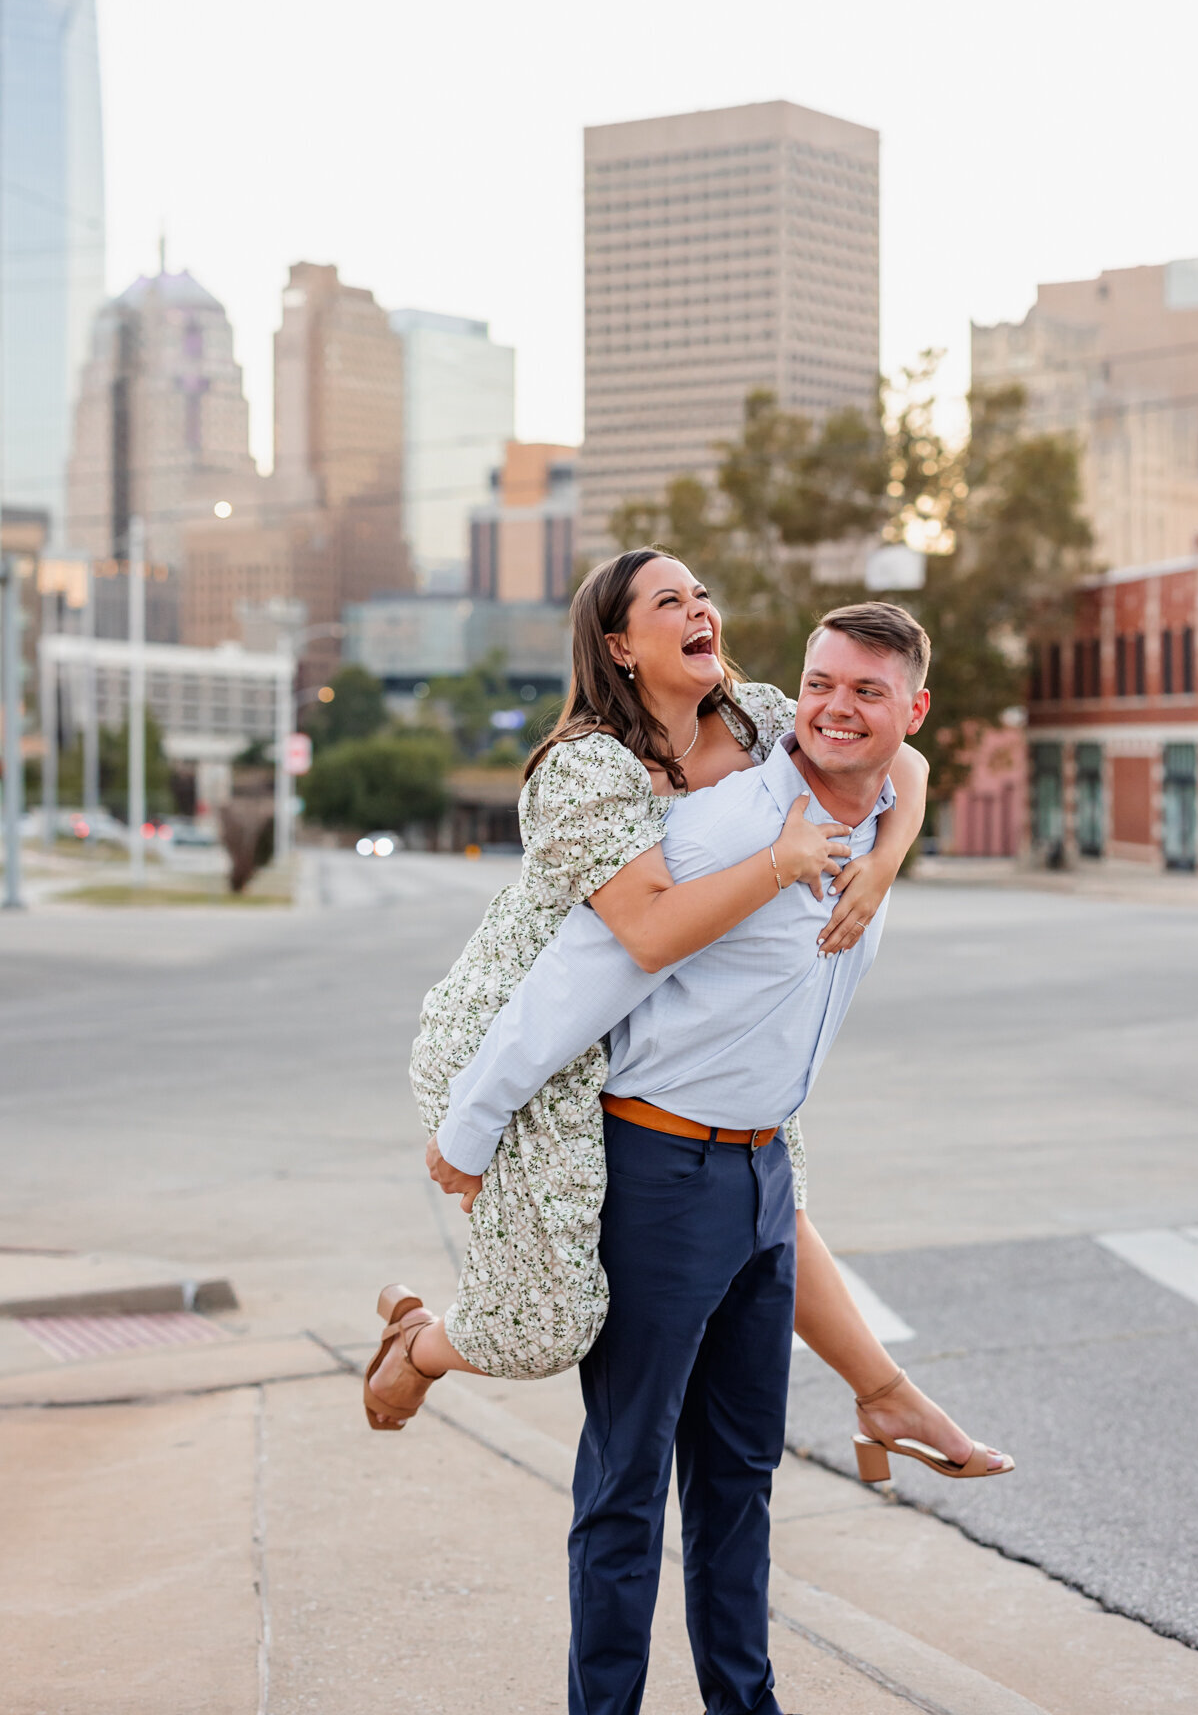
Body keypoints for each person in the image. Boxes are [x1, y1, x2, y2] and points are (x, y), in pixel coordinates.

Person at [392, 602, 1011, 1715]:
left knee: (740, 1480)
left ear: (910, 712)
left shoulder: (872, 828)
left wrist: (890, 851)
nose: (833, 705)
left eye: (868, 691)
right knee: (628, 1484)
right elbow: (577, 977)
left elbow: (898, 776)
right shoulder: (728, 830)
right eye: (820, 681)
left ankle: (744, 1700)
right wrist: (471, 1125)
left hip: (768, 1178)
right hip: (659, 1174)